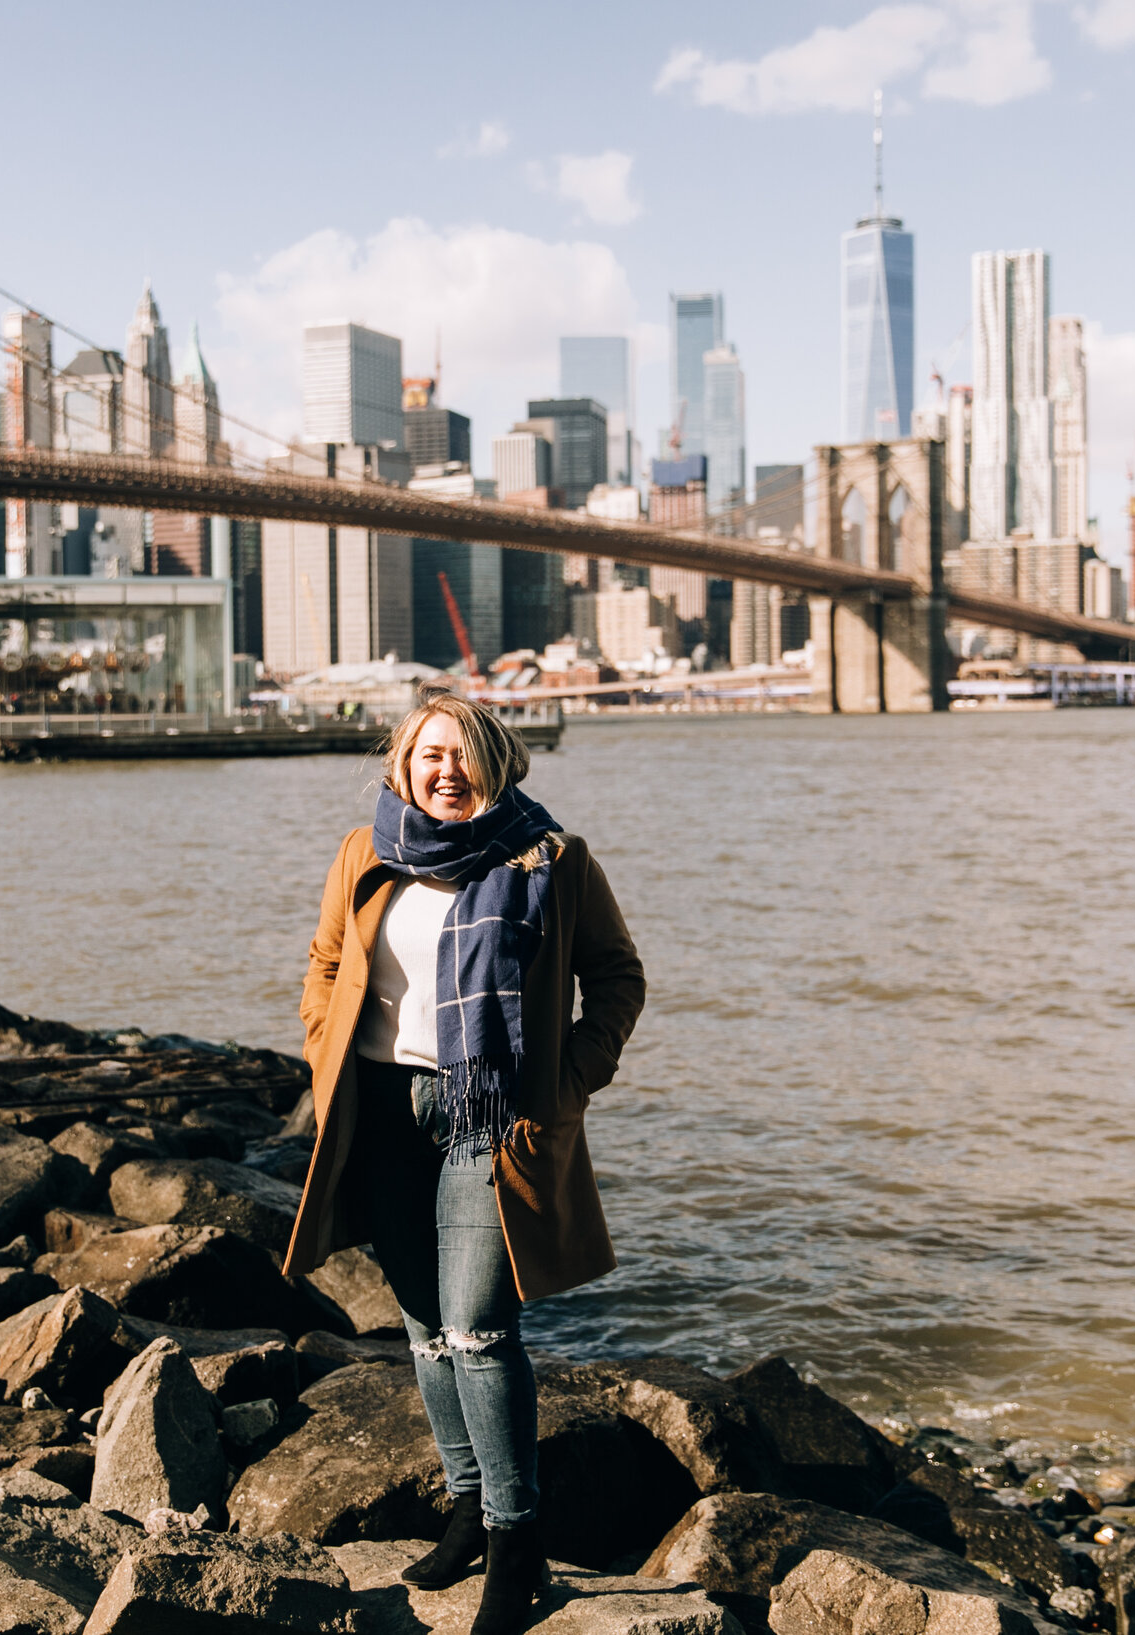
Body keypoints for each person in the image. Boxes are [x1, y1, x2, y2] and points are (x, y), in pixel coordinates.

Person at [284, 694, 645, 1635]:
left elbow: (615, 977)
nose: (445, 771)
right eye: (426, 754)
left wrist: (567, 1079)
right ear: (400, 765)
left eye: (462, 754)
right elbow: (326, 962)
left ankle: (516, 1538)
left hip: (492, 1115)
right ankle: (465, 1506)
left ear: (496, 760)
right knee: (424, 1330)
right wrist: (326, 1045)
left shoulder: (550, 859)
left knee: (480, 1330)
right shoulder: (366, 853)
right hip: (382, 1111)